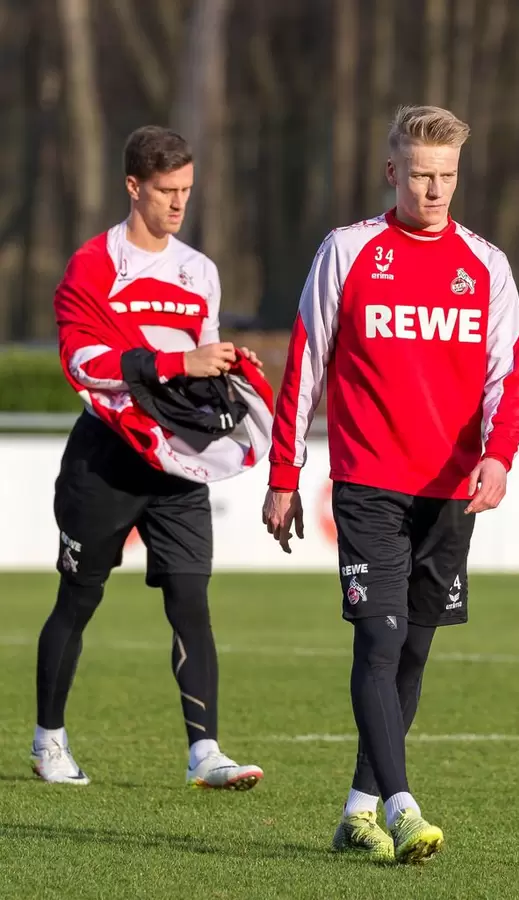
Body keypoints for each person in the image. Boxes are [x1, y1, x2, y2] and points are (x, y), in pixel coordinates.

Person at [262, 105, 519, 864]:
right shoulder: (348, 250)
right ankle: (403, 809)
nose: (433, 190)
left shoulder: (487, 266)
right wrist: (284, 474)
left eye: (446, 176)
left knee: (412, 652)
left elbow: (508, 377)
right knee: (378, 638)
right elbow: (306, 362)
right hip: (369, 481)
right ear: (392, 171)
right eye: (419, 175)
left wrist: (498, 457)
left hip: (450, 491)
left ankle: (358, 812)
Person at [32, 125, 273, 791]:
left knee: (191, 600)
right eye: (167, 190)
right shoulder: (92, 265)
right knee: (78, 598)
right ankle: (49, 740)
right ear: (133, 186)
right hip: (105, 459)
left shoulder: (202, 271)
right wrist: (174, 362)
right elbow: (83, 361)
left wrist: (226, 371)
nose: (179, 203)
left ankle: (205, 752)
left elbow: (201, 361)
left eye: (187, 190)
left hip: (177, 464)